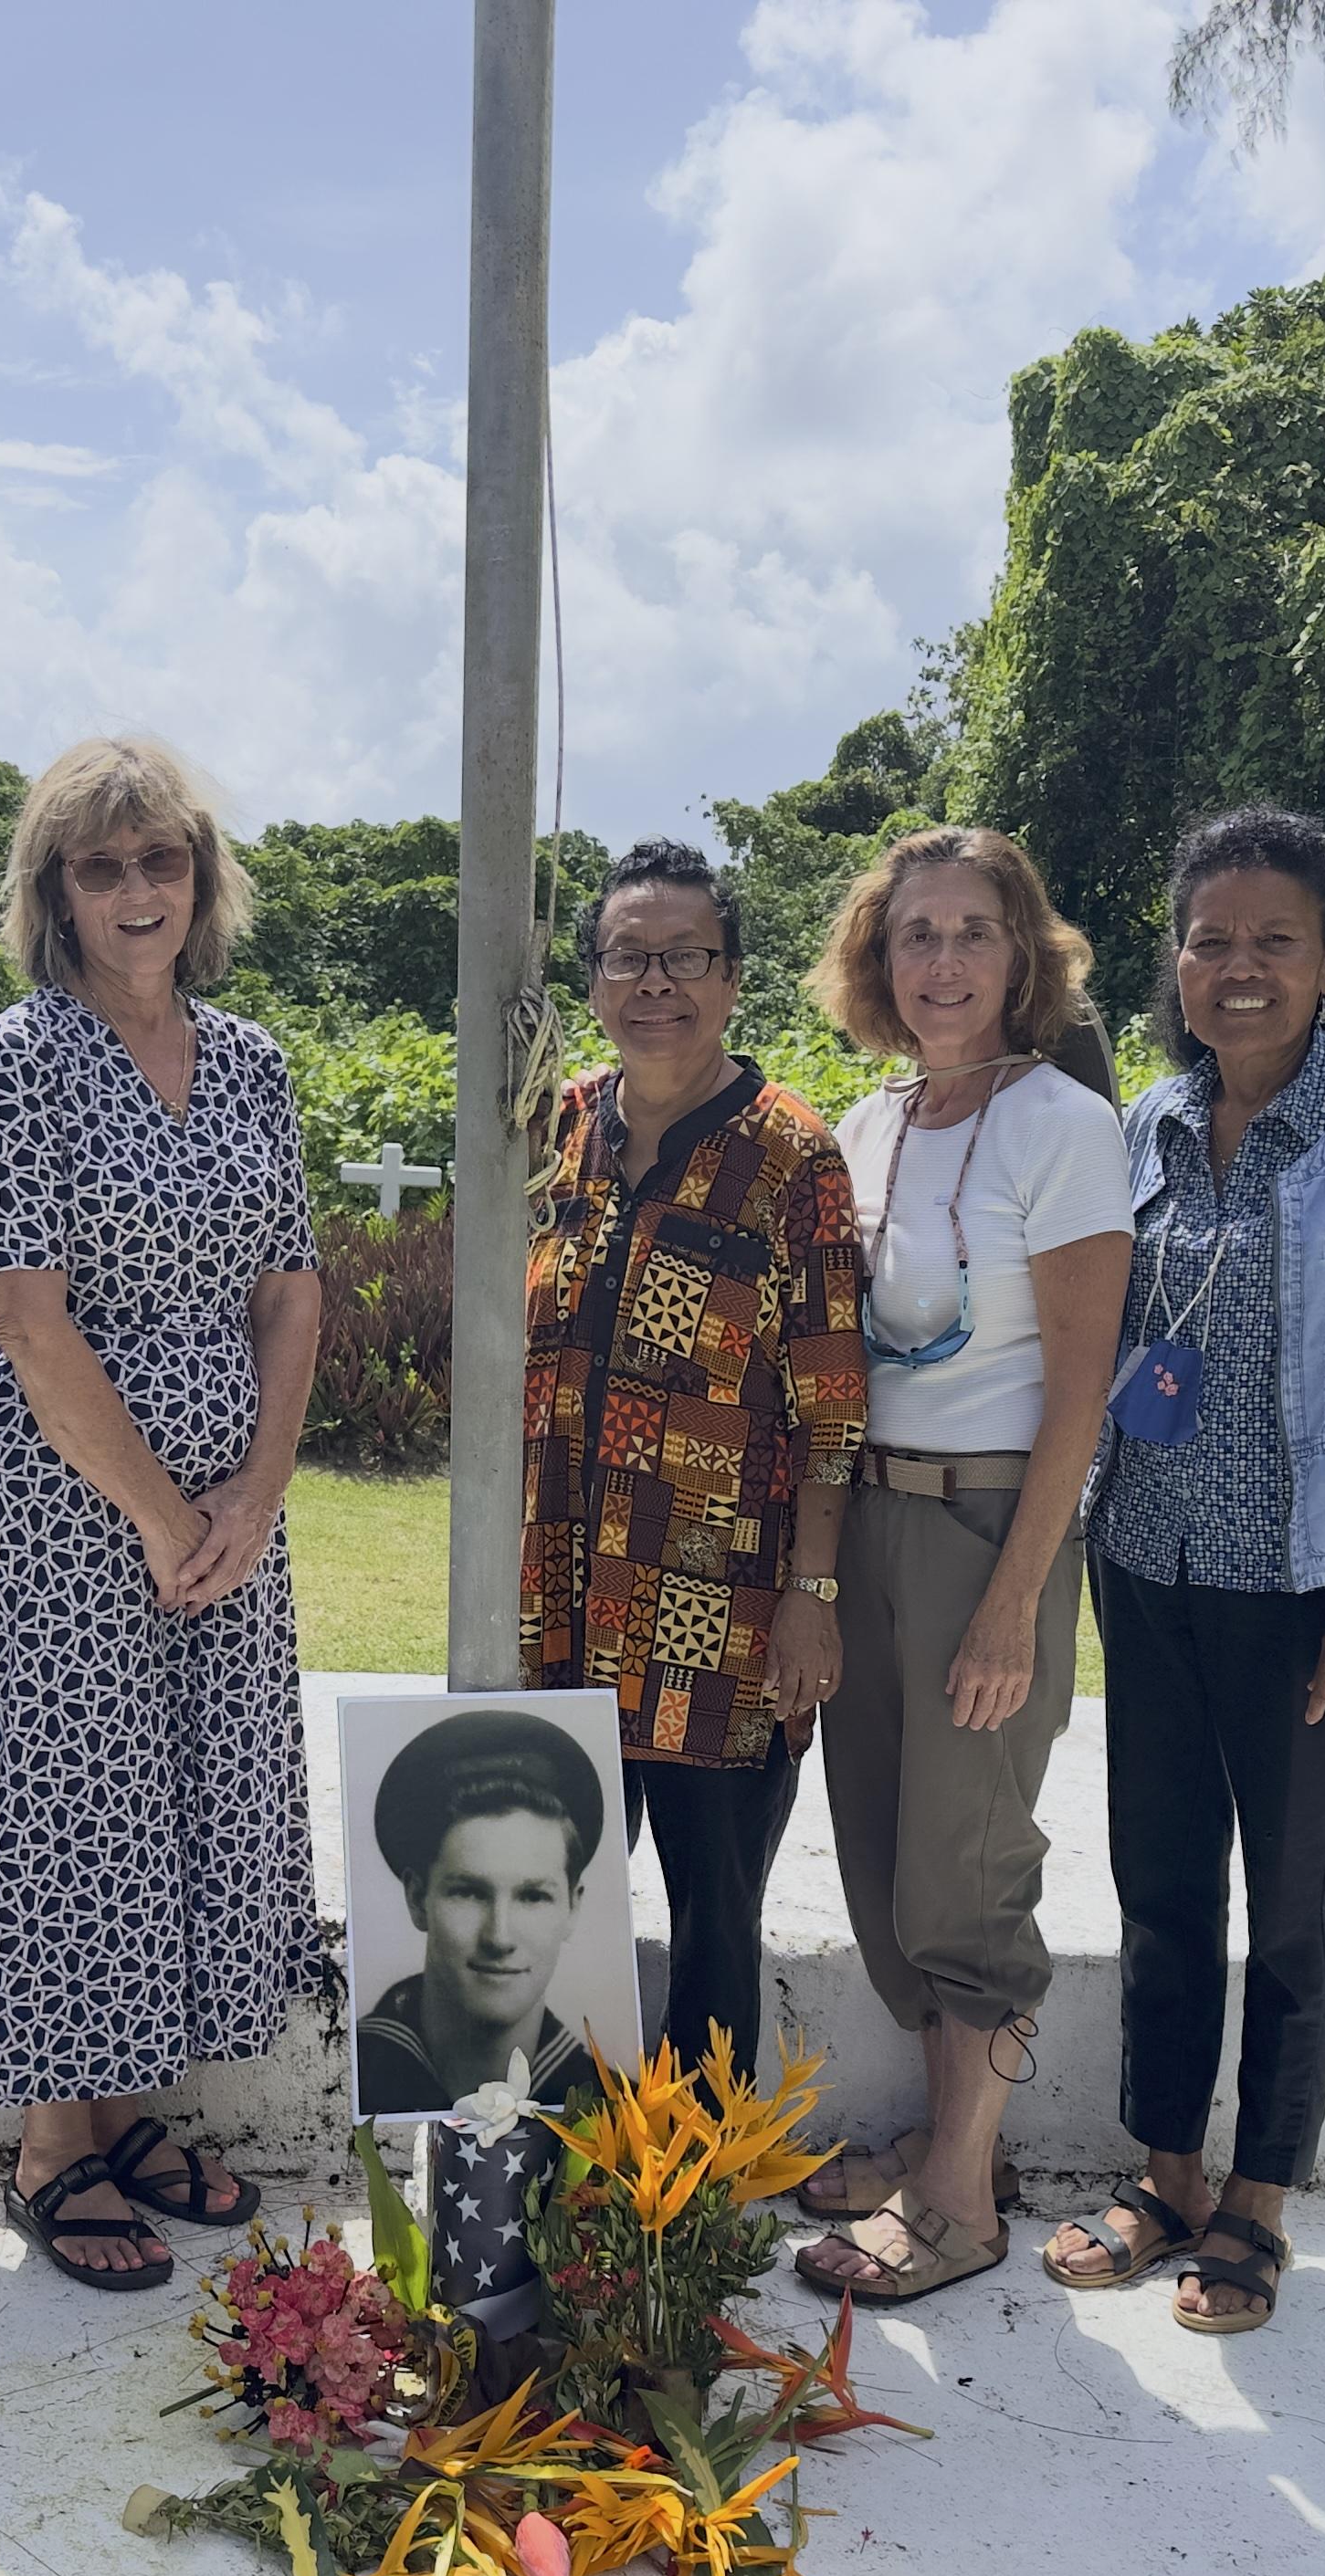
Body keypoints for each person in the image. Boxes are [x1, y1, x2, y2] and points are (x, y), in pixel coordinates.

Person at [0, 736, 323, 2294]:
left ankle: (127, 2111)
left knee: (180, 1800)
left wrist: (250, 1491)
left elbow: (291, 1284)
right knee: (75, 1807)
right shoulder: (18, 1056)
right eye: (101, 865)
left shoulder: (251, 1057)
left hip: (224, 1519)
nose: (136, 891)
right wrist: (155, 1508)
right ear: (56, 889)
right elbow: (27, 1315)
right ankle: (56, 2137)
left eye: (161, 859)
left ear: (202, 873)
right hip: (61, 1507)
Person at [1043, 805, 1325, 2337]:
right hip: (1146, 1558)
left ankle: (1257, 2200)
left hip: (1304, 1581)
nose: (1239, 967)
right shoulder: (1146, 1127)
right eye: (1211, 939)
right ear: (1176, 962)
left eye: (1272, 940)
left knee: (1292, 1901)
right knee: (1159, 1876)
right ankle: (1164, 2167)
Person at [787, 829, 1134, 2307]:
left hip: (990, 1526)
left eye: (972, 931)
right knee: (879, 1852)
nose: (940, 960)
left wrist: (1011, 1598)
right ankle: (949, 2139)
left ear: (1023, 956)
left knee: (966, 1862)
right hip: (864, 1522)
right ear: (877, 959)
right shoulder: (866, 1127)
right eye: (913, 932)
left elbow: (1078, 1392)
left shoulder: (1063, 1124)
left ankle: (959, 2202)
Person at [522, 836, 866, 2089]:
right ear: (596, 976)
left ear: (730, 980)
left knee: (715, 1922)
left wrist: (810, 1603)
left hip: (724, 1622)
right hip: (559, 1608)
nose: (652, 981)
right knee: (545, 1909)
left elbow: (832, 1406)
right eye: (626, 956)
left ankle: (691, 2210)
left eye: (684, 957)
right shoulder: (555, 1130)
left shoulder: (791, 1159)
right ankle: (554, 2181)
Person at [353, 1709, 609, 2117]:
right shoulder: (355, 2072)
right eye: (469, 1893)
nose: (499, 1937)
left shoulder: (607, 2102)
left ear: (573, 1906)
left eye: (532, 1896)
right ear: (418, 1899)